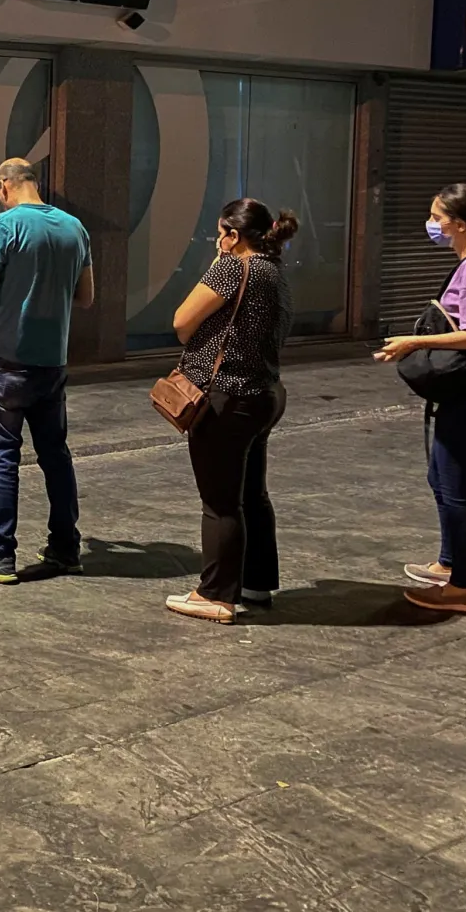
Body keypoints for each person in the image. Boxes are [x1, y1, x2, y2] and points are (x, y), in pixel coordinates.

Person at [375, 184, 466, 615]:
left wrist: (414, 341)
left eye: (437, 218)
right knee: (440, 479)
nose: (432, 225)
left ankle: (463, 588)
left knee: (457, 492)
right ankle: (448, 562)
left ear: (460, 224)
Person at [0, 160, 92, 585]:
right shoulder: (75, 228)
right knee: (56, 457)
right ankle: (66, 548)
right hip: (52, 362)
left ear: (4, 187)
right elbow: (85, 296)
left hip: (6, 361)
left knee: (3, 458)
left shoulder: (4, 225)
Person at [163, 199, 298, 624]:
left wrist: (217, 263)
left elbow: (182, 322)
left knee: (220, 501)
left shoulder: (232, 268)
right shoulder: (273, 272)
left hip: (226, 397)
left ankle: (215, 595)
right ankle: (256, 581)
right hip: (263, 394)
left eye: (220, 233)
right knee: (252, 493)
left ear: (233, 235)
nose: (217, 240)